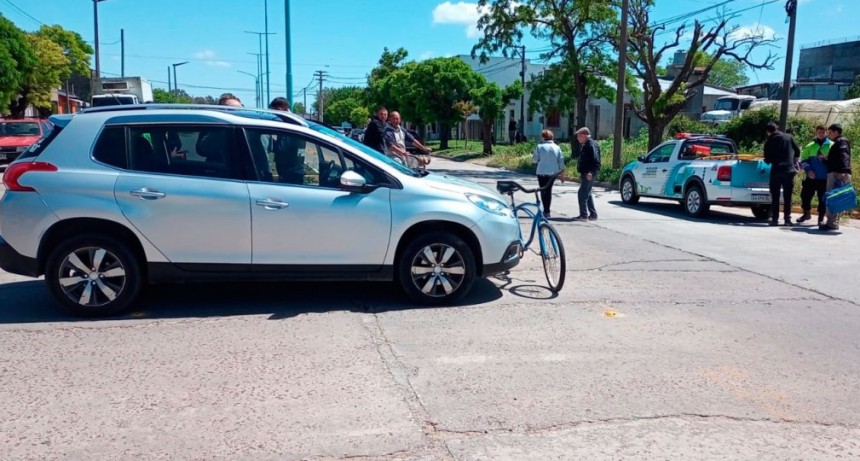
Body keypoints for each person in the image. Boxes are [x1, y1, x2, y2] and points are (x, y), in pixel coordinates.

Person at [763, 122, 801, 226]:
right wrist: (794, 159)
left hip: (776, 171)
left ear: (768, 131)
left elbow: (767, 159)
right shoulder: (788, 137)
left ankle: (775, 219)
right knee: (788, 196)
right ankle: (787, 220)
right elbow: (797, 150)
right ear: (778, 128)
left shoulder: (769, 141)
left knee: (775, 196)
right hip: (789, 170)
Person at [820, 123, 853, 231]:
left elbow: (843, 157)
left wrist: (842, 171)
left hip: (838, 174)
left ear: (836, 132)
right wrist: (825, 159)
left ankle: (831, 223)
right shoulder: (839, 142)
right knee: (837, 198)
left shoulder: (841, 142)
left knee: (834, 198)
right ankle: (833, 222)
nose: (828, 135)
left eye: (830, 133)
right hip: (838, 172)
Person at [798, 125, 831, 224]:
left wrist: (826, 160)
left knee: (823, 199)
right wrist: (808, 170)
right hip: (811, 177)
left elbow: (835, 161)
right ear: (816, 133)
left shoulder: (832, 145)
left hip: (825, 178)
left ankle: (820, 219)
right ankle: (806, 213)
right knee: (805, 196)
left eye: (823, 132)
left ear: (826, 133)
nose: (821, 134)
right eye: (819, 132)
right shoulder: (810, 146)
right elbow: (803, 160)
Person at [532, 129, 565, 218]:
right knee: (549, 190)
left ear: (543, 137)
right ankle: (547, 210)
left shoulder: (539, 147)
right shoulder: (557, 147)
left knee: (543, 190)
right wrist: (562, 173)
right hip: (552, 173)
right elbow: (561, 160)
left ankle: (545, 210)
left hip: (541, 172)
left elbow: (534, 160)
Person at [574, 127, 600, 221]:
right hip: (585, 173)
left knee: (582, 193)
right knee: (587, 193)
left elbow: (595, 160)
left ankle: (583, 215)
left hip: (589, 173)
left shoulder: (591, 145)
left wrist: (590, 172)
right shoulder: (586, 144)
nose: (577, 138)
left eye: (579, 136)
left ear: (584, 136)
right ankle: (593, 214)